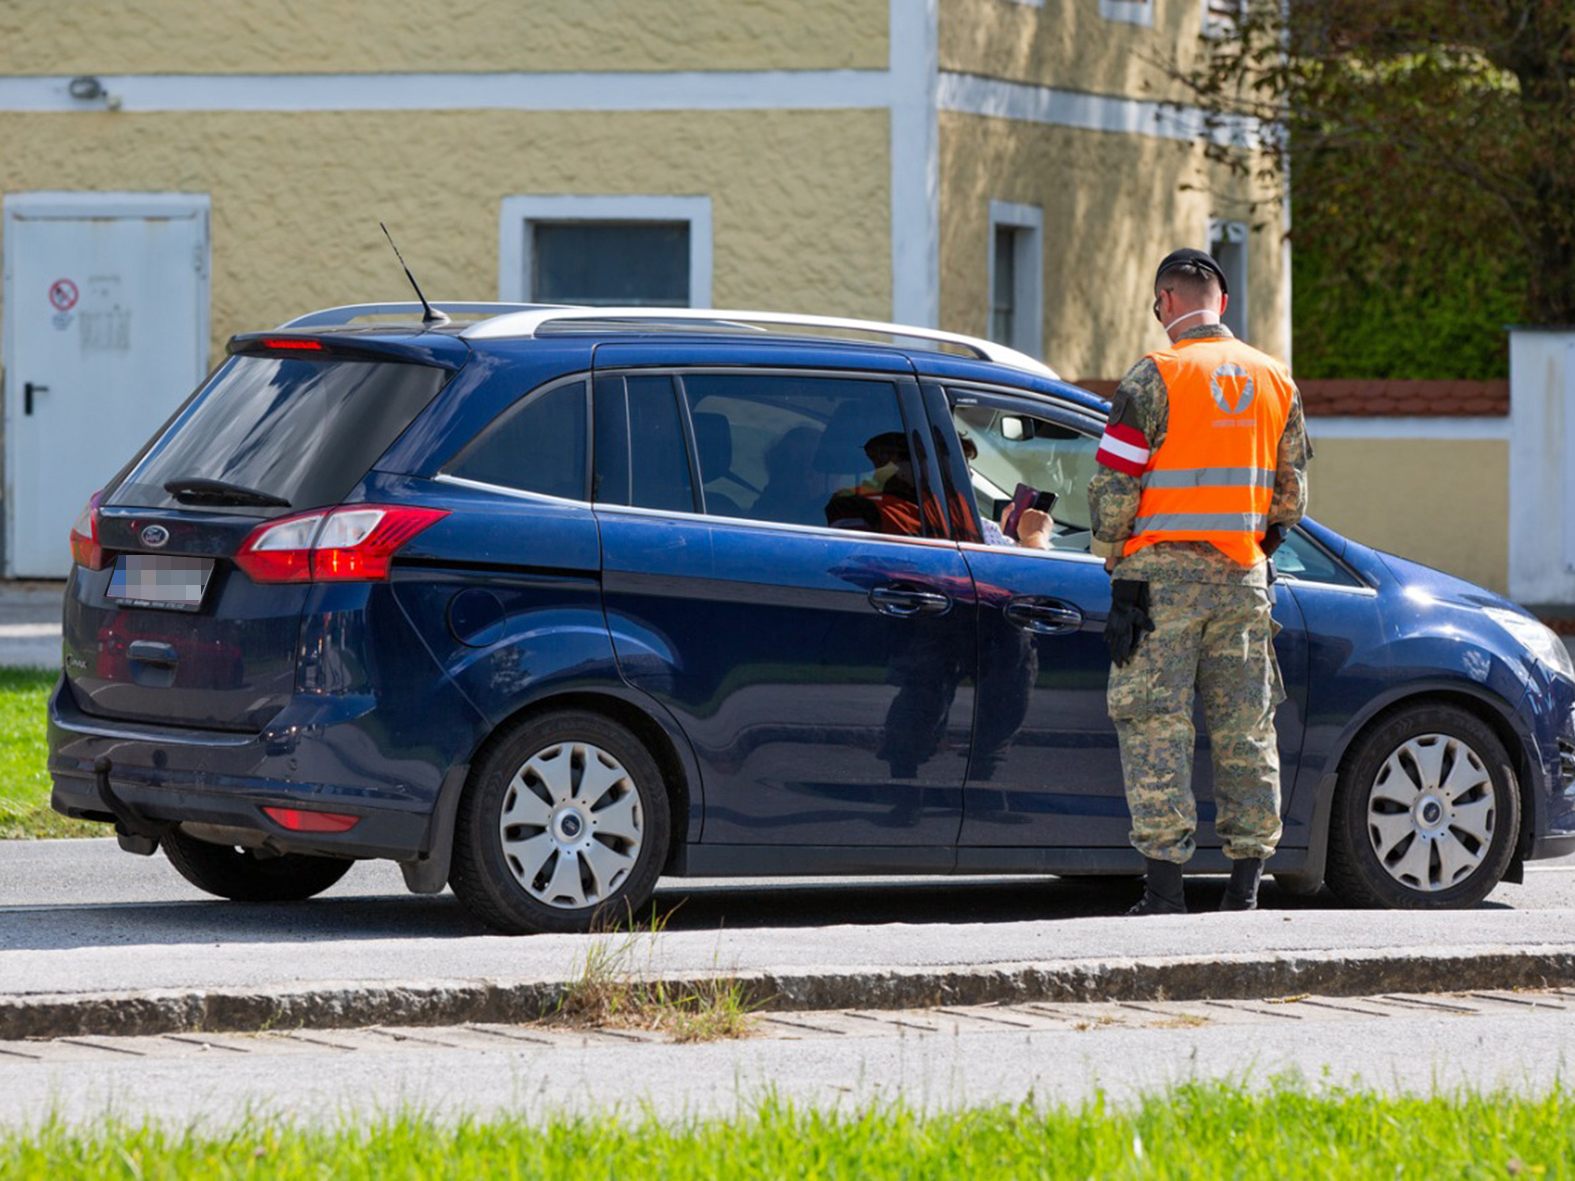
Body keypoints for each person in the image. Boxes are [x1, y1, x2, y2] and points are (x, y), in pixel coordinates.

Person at [1087, 247, 1311, 915]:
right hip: (1243, 576)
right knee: (1246, 728)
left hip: (1157, 579)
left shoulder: (1153, 375)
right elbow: (1290, 498)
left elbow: (1111, 492)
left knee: (1156, 724)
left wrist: (1115, 550)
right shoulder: (1276, 379)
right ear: (1223, 305)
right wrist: (1250, 548)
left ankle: (1163, 894)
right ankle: (1244, 892)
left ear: (1164, 304)